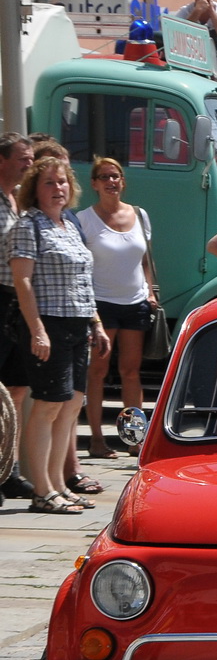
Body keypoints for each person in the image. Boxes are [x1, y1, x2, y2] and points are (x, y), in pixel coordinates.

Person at [9, 157, 109, 515]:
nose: (58, 189)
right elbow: (22, 281)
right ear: (35, 188)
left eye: (63, 182)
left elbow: (84, 279)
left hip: (77, 322)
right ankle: (42, 490)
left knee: (69, 407)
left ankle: (58, 484)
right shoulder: (28, 225)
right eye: (49, 183)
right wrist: (37, 329)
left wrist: (95, 323)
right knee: (48, 405)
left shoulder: (71, 223)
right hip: (48, 322)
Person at [75, 158, 156, 459]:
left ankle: (134, 439)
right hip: (101, 304)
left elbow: (145, 260)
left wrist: (149, 290)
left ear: (123, 181)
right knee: (97, 371)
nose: (111, 182)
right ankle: (97, 440)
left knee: (131, 372)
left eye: (116, 176)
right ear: (94, 184)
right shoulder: (84, 219)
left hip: (135, 302)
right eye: (104, 177)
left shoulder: (140, 215)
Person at [0, 132, 35, 499]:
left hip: (19, 300)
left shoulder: (20, 202)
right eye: (23, 157)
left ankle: (7, 468)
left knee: (18, 388)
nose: (29, 163)